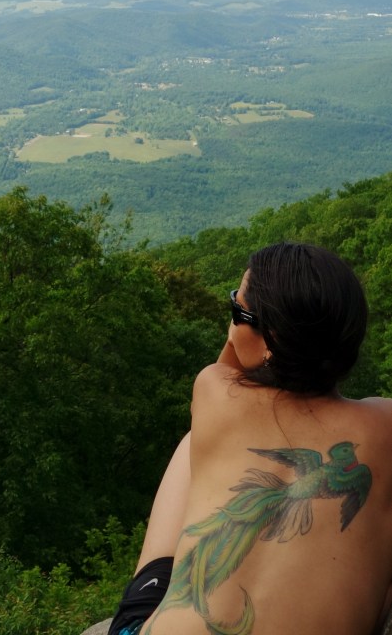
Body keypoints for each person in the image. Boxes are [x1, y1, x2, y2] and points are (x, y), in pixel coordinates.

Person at [106, 241, 392, 635]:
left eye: (236, 310)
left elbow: (233, 368)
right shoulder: (386, 424)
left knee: (193, 442)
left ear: (269, 338)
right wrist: (255, 325)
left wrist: (247, 333)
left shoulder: (214, 390)